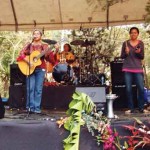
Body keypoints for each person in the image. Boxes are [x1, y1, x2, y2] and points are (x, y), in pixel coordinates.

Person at [17, 29, 56, 114]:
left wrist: (55, 50)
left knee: (38, 89)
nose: (36, 35)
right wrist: (28, 61)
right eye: (34, 33)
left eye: (37, 33)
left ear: (41, 35)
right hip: (30, 68)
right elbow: (21, 54)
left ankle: (37, 109)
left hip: (40, 69)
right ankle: (30, 108)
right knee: (30, 88)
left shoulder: (45, 46)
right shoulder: (29, 45)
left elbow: (50, 58)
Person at [121, 27, 149, 114]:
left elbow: (142, 56)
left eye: (135, 33)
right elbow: (122, 56)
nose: (133, 34)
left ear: (138, 34)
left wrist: (138, 53)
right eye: (132, 33)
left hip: (138, 69)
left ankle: (141, 108)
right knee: (128, 89)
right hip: (127, 68)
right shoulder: (125, 43)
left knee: (140, 88)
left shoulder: (141, 43)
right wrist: (126, 52)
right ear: (130, 34)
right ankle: (131, 108)